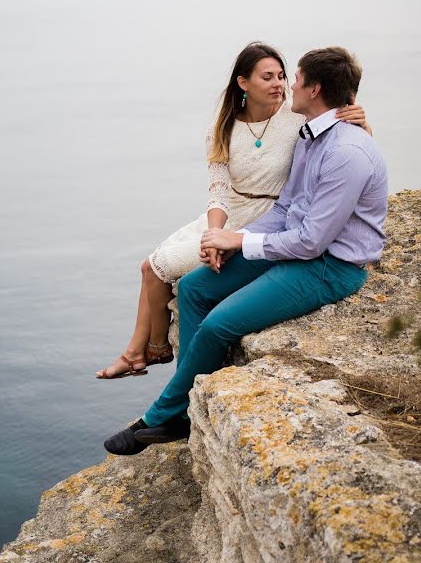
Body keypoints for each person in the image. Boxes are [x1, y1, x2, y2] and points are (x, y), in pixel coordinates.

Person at [104, 46, 388, 455]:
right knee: (194, 289)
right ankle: (185, 408)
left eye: (296, 78)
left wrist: (240, 240)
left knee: (220, 323)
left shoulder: (347, 152)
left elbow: (311, 242)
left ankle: (163, 416)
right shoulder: (310, 134)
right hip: (289, 243)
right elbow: (287, 208)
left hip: (330, 266)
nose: (289, 85)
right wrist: (228, 239)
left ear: (315, 88)